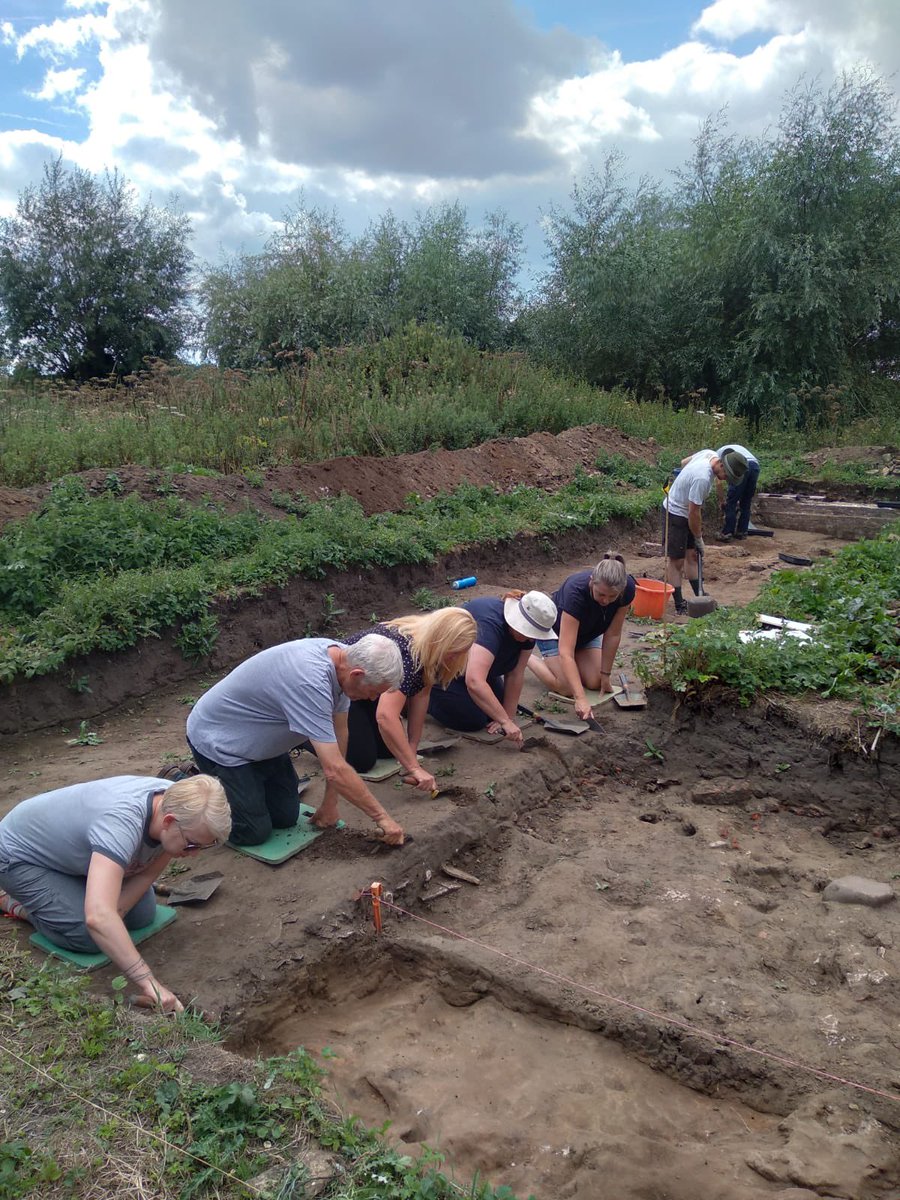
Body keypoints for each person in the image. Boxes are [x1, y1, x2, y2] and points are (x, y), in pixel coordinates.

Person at [0, 774, 231, 1013]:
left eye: (203, 846)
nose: (194, 854)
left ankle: (75, 893)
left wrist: (113, 915)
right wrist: (149, 983)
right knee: (88, 934)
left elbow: (144, 876)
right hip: (20, 858)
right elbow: (98, 918)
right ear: (168, 821)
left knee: (141, 915)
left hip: (74, 853)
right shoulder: (120, 824)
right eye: (192, 845)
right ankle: (15, 903)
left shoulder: (181, 804)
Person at [186, 634, 407, 846]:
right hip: (221, 743)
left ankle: (244, 787)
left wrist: (330, 802)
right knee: (254, 832)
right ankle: (192, 786)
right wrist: (382, 818)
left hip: (262, 745)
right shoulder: (310, 680)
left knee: (286, 817)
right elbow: (335, 769)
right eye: (373, 691)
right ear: (357, 674)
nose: (373, 699)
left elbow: (340, 732)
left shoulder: (344, 661)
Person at [342, 609, 477, 792]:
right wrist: (414, 768)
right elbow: (385, 716)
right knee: (362, 760)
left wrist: (412, 747)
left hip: (370, 690)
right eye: (453, 652)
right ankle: (308, 734)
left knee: (392, 750)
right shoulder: (406, 651)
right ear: (441, 640)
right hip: (347, 687)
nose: (454, 658)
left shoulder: (428, 652)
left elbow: (421, 695)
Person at [428, 590, 558, 744]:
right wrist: (504, 721)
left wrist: (509, 716)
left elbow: (516, 673)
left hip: (479, 670)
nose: (530, 638)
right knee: (473, 719)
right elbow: (474, 681)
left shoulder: (527, 637)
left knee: (496, 709)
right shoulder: (490, 625)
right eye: (529, 632)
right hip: (444, 671)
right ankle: (422, 698)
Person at [527, 553, 636, 721]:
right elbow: (566, 651)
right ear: (592, 581)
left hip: (587, 634)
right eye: (601, 594)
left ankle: (568, 666)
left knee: (595, 682)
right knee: (566, 687)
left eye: (612, 596)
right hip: (555, 634)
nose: (606, 601)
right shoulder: (575, 592)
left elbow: (613, 634)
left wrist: (605, 675)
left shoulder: (627, 588)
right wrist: (580, 698)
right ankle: (526, 656)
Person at [665, 448, 748, 615]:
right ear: (722, 465)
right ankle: (680, 604)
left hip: (687, 510)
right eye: (727, 476)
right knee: (677, 561)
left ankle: (701, 596)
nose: (725, 480)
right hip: (675, 512)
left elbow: (683, 462)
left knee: (692, 556)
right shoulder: (702, 478)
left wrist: (685, 482)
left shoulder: (709, 453)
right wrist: (698, 538)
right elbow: (693, 512)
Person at [714, 443, 761, 540]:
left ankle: (727, 532)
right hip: (755, 466)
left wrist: (722, 501)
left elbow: (718, 482)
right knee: (746, 501)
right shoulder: (730, 451)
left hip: (742, 467)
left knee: (731, 502)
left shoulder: (717, 458)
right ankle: (742, 531)